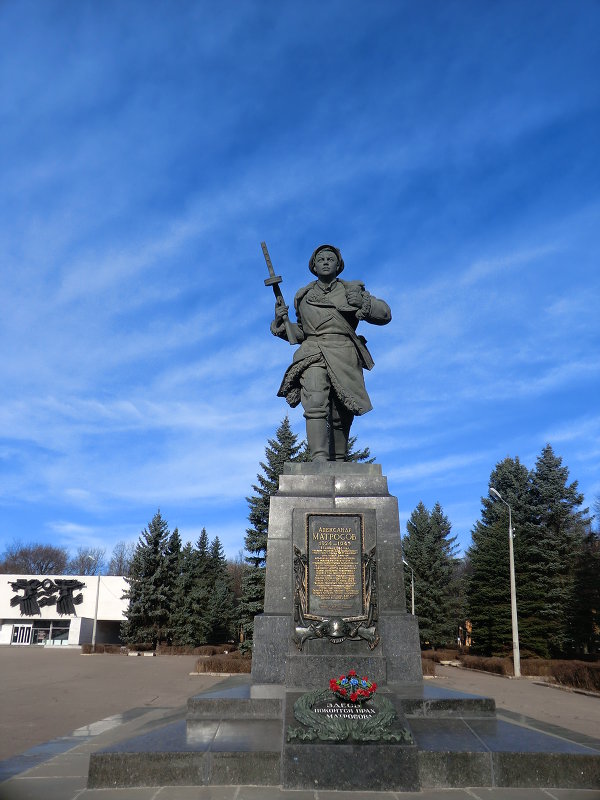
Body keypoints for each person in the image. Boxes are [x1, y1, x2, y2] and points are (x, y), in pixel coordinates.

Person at [271, 244, 391, 462]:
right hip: (313, 351)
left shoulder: (351, 290)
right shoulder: (303, 296)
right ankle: (318, 459)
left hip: (344, 352)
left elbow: (385, 314)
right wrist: (281, 322)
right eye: (321, 259)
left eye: (330, 259)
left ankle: (338, 459)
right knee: (315, 402)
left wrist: (364, 303)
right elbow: (302, 332)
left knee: (341, 411)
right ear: (314, 266)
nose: (325, 262)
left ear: (338, 265)